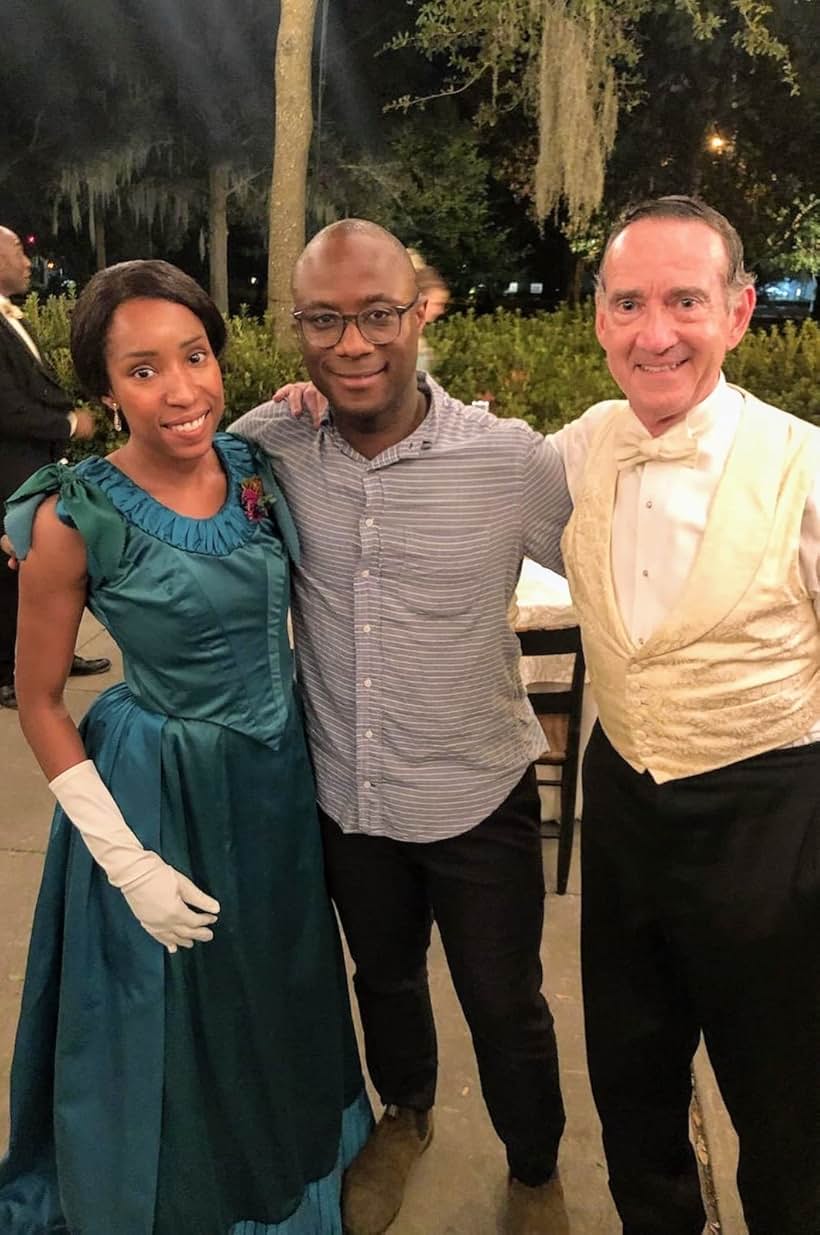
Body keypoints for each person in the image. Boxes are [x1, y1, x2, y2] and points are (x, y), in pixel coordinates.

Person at [0, 259, 371, 1234]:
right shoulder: (67, 513)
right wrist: (126, 865)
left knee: (276, 986)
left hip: (276, 780)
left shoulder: (256, 466)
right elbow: (39, 700)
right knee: (175, 1018)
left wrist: (299, 402)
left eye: (195, 356)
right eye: (142, 369)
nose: (180, 390)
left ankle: (283, 1171)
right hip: (157, 794)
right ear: (104, 388)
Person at [230, 219, 573, 1235]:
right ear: (297, 327)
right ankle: (406, 1113)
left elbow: (621, 561)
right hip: (347, 792)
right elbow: (175, 481)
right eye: (325, 320)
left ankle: (535, 1166)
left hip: (477, 792)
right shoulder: (271, 441)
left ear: (418, 311)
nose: (353, 344)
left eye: (378, 314)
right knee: (380, 976)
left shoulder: (510, 462)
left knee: (506, 1003)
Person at [550, 196, 820, 1235]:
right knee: (630, 1080)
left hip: (772, 822)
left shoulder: (804, 465)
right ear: (599, 317)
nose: (653, 331)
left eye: (683, 300)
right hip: (622, 811)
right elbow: (443, 465)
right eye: (627, 302)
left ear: (739, 311)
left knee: (789, 1104)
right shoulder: (577, 447)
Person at [0, 225, 110, 708]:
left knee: (52, 564)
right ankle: (9, 669)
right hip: (9, 472)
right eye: (17, 253)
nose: (27, 262)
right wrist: (69, 424)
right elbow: (6, 409)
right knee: (13, 572)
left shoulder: (8, 318)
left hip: (35, 466)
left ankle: (56, 654)